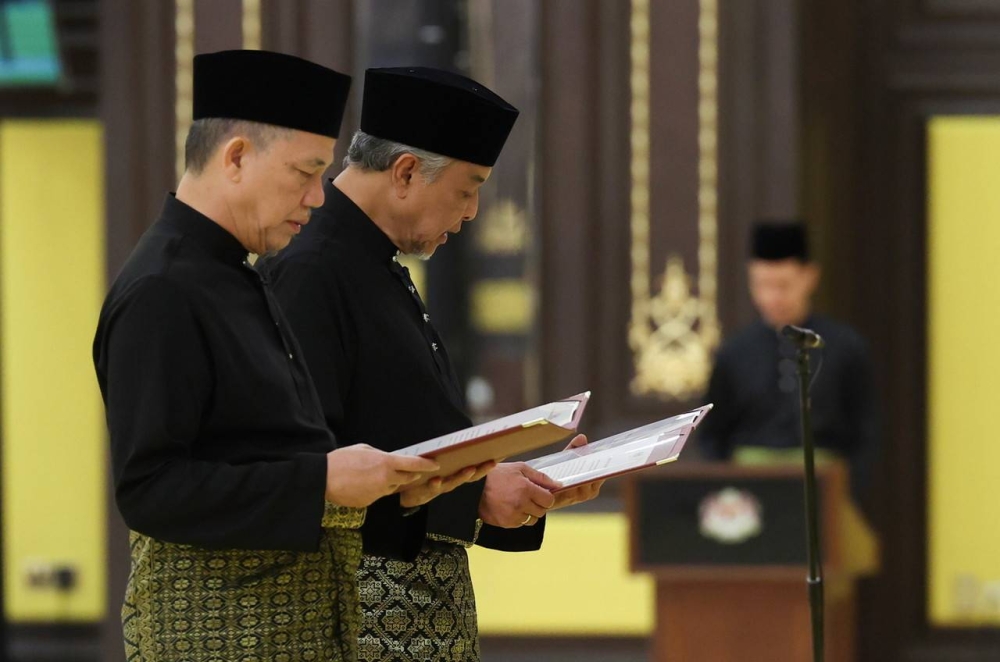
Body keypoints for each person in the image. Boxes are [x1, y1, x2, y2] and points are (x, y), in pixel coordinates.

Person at [93, 51, 477, 661]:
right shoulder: (163, 289)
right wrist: (323, 479)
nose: (318, 198)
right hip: (216, 636)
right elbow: (150, 488)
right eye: (305, 173)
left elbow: (264, 451)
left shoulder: (235, 275)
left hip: (299, 627)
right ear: (237, 157)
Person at [261, 67, 602, 662]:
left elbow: (403, 438)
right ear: (406, 171)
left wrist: (515, 490)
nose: (471, 212)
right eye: (468, 189)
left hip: (417, 611)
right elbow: (309, 468)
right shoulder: (310, 270)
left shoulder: (377, 267)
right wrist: (472, 498)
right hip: (357, 617)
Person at [698, 221, 879, 501]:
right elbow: (711, 435)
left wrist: (850, 491)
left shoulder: (845, 346)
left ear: (810, 277)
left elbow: (866, 431)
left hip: (825, 490)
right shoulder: (733, 353)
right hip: (749, 493)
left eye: (783, 285)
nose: (772, 297)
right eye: (762, 285)